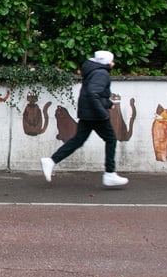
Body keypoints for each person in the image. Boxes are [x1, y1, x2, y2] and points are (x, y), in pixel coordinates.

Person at [41, 50, 129, 187]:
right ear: (105, 62)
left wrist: (109, 104)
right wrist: (103, 113)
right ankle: (110, 173)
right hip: (95, 114)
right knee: (111, 139)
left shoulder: (93, 71)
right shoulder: (102, 73)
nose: (113, 63)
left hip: (87, 112)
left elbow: (94, 94)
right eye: (111, 60)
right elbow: (93, 94)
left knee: (78, 140)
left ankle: (51, 161)